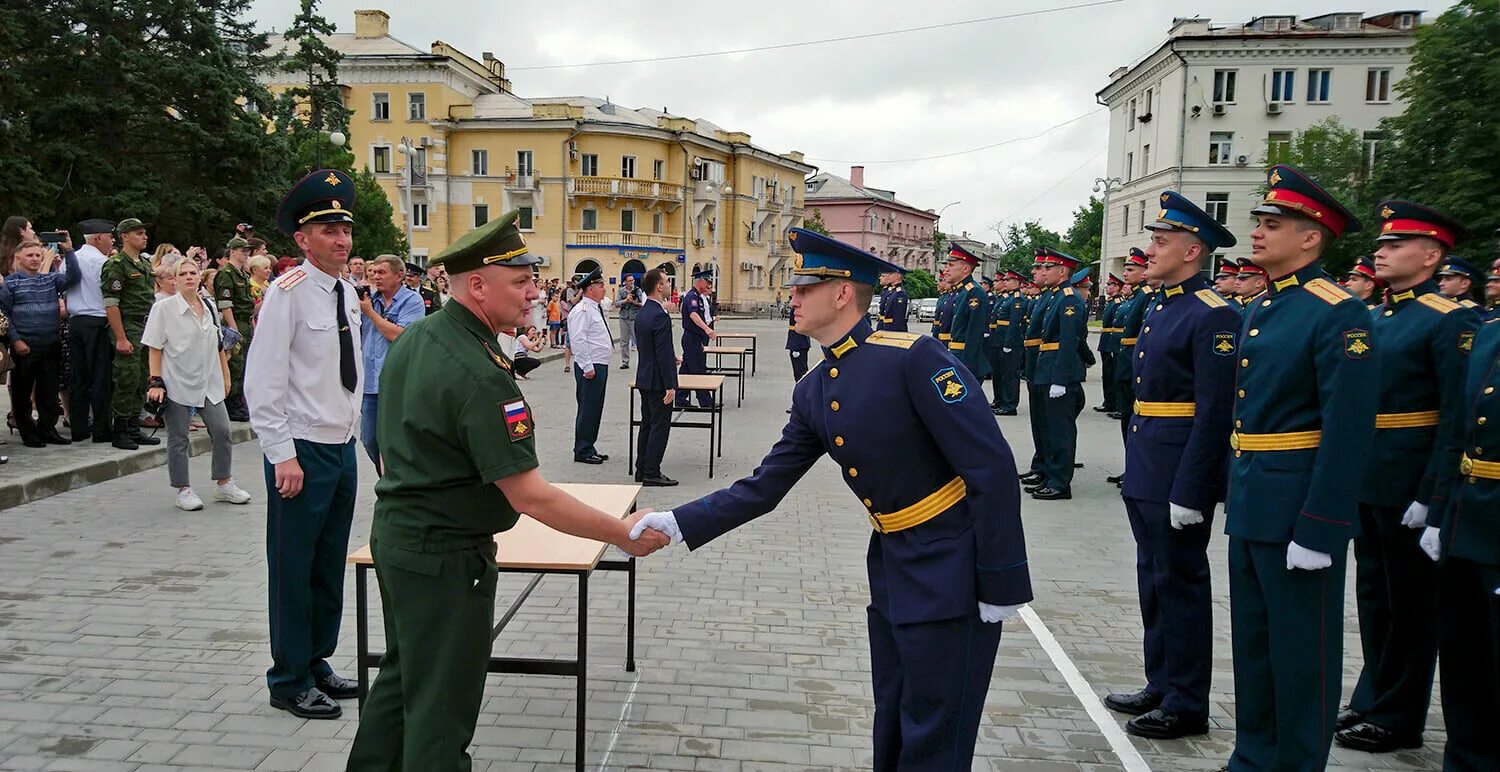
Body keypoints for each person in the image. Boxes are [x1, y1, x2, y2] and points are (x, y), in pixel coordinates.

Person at [628, 226, 1032, 771]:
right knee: (893, 712)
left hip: (952, 567)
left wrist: (1003, 580)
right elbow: (766, 485)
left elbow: (991, 467)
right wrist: (677, 521)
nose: (789, 298)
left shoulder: (914, 357)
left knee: (937, 728)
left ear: (843, 293)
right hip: (892, 566)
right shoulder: (814, 388)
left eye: (802, 288)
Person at [345, 212, 668, 771]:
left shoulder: (421, 336)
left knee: (402, 683)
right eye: (520, 281)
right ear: (477, 285)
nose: (534, 292)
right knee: (441, 711)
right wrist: (622, 532)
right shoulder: (477, 368)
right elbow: (531, 496)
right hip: (446, 558)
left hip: (401, 542)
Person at [1223, 165, 1376, 772]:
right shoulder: (1265, 306)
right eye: (1258, 222)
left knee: (1301, 655)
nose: (1256, 233)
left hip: (1297, 509)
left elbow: (1347, 431)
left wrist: (1321, 525)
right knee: (1255, 649)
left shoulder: (1337, 313)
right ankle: (1252, 757)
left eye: (1271, 224)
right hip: (1254, 500)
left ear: (1311, 237)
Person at [1334, 201, 1480, 754]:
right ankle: (1375, 695)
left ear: (1431, 255)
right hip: (1372, 475)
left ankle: (1400, 715)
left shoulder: (1450, 318)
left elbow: (1456, 416)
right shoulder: (1379, 316)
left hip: (1410, 478)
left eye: (1395, 245)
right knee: (1375, 596)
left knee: (1411, 603)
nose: (1381, 252)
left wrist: (1433, 494)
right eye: (1382, 244)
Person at [1104, 191, 1239, 740]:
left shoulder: (1214, 314)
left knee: (1180, 584)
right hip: (1149, 463)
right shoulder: (1165, 305)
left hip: (1178, 470)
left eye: (1161, 241)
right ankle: (1160, 682)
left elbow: (1214, 412)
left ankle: (1187, 701)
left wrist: (1194, 487)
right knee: (1153, 580)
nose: (1151, 248)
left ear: (1192, 251)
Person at [244, 169, 364, 720]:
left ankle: (316, 661)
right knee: (293, 566)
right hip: (303, 450)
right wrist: (281, 454)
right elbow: (262, 380)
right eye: (328, 229)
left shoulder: (345, 290)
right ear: (302, 238)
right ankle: (288, 678)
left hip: (339, 446)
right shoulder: (285, 293)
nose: (341, 239)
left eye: (345, 228)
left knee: (327, 562)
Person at [1422, 314, 1500, 770]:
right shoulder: (1490, 333)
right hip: (1467, 515)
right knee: (1464, 655)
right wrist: (1438, 509)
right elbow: (1457, 428)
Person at [141, 259, 252, 511]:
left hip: (208, 380)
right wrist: (155, 381)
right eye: (183, 274)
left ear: (200, 276)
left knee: (222, 431)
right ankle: (183, 488)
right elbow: (154, 347)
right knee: (178, 437)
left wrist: (225, 376)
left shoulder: (210, 306)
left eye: (193, 272)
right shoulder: (164, 308)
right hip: (177, 380)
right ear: (175, 279)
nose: (189, 277)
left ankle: (224, 482)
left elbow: (219, 344)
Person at [0, 238, 81, 447]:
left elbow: (73, 277)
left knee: (49, 391)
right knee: (22, 392)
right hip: (25, 347)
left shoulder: (50, 280)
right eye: (30, 255)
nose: (35, 259)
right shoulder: (11, 283)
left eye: (38, 255)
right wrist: (16, 340)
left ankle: (48, 429)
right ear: (18, 258)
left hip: (50, 344)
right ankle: (28, 432)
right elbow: (4, 316)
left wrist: (69, 251)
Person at [1027, 247, 1087, 501]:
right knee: (1047, 427)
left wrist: (1060, 379)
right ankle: (1049, 474)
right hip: (1046, 368)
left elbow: (1069, 341)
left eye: (1048, 267)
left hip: (1058, 372)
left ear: (1062, 271)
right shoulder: (1055, 297)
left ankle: (1060, 482)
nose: (1042, 271)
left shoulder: (1069, 299)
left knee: (1060, 431)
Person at [99, 218, 162, 450]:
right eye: (138, 233)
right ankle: (121, 429)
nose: (144, 237)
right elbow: (111, 304)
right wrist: (121, 337)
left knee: (141, 379)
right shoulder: (117, 264)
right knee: (126, 378)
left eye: (144, 233)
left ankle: (134, 427)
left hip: (145, 326)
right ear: (124, 236)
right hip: (128, 326)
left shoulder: (144, 264)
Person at [357, 254, 423, 469]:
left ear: (399, 275)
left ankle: (397, 483)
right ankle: (388, 482)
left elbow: (399, 335)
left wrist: (371, 314)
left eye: (382, 272)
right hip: (370, 382)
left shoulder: (412, 301)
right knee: (369, 438)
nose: (376, 277)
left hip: (397, 382)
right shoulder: (367, 299)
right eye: (374, 272)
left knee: (396, 439)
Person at [66, 219, 116, 443]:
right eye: (110, 236)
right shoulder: (102, 262)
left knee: (78, 376)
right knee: (100, 377)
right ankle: (101, 429)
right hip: (97, 320)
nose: (112, 241)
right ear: (98, 238)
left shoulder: (72, 258)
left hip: (76, 320)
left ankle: (78, 428)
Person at [1110, 249, 1153, 484]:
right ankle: (1131, 467)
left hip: (1134, 364)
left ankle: (1135, 469)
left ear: (1144, 272)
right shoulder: (1136, 296)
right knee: (1127, 419)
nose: (1125, 273)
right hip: (1126, 362)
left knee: (1133, 421)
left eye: (1131, 269)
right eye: (1125, 269)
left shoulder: (1146, 295)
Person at [633, 268, 679, 486]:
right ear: (659, 286)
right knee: (659, 427)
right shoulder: (660, 315)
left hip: (645, 377)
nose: (669, 285)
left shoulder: (643, 312)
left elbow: (651, 348)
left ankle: (641, 468)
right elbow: (661, 352)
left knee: (647, 425)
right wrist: (670, 384)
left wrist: (672, 357)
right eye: (667, 281)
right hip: (659, 381)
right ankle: (652, 472)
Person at [566, 268, 613, 464]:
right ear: (589, 289)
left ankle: (589, 445)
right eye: (600, 285)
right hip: (591, 366)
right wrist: (587, 366)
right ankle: (582, 450)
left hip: (599, 364)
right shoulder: (582, 310)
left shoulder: (595, 307)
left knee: (595, 408)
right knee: (587, 408)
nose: (604, 289)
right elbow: (578, 339)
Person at [214, 237, 257, 422]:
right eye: (242, 250)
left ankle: (239, 402)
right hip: (235, 322)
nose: (246, 253)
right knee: (235, 365)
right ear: (232, 251)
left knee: (244, 365)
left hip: (246, 321)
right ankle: (232, 404)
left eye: (247, 250)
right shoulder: (226, 274)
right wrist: (233, 329)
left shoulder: (243, 275)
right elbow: (226, 305)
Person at [676, 268, 716, 408]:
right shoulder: (692, 297)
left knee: (686, 369)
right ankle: (706, 402)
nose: (709, 286)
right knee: (699, 370)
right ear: (700, 281)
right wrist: (707, 329)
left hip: (694, 338)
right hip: (692, 338)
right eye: (707, 282)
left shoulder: (698, 296)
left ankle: (680, 399)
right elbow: (693, 315)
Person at [991, 271, 1027, 416]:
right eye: (1004, 279)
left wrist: (1008, 343)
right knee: (1000, 373)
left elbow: (1014, 324)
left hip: (1011, 342)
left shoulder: (1018, 300)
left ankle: (1010, 405)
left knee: (1010, 374)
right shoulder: (1008, 298)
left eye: (1009, 280)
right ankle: (1000, 400)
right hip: (1000, 339)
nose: (1005, 281)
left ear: (1017, 282)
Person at [1094, 274, 1123, 414]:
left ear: (1117, 287)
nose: (1107, 287)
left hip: (1112, 342)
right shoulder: (1111, 302)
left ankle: (1115, 403)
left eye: (1110, 284)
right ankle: (1109, 402)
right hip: (1106, 341)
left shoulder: (1118, 303)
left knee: (1112, 374)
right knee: (1107, 374)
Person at [786, 305, 811, 413]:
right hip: (797, 343)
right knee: (799, 374)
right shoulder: (798, 306)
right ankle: (801, 402)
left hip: (798, 343)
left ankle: (802, 403)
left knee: (800, 375)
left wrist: (796, 345)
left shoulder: (799, 308)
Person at [615, 273, 643, 369]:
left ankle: (642, 361)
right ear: (625, 282)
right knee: (624, 341)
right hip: (624, 317)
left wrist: (634, 302)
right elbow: (616, 304)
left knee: (638, 339)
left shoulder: (638, 290)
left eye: (632, 280)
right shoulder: (621, 291)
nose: (632, 282)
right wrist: (625, 300)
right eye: (630, 280)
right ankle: (625, 361)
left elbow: (642, 303)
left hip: (634, 317)